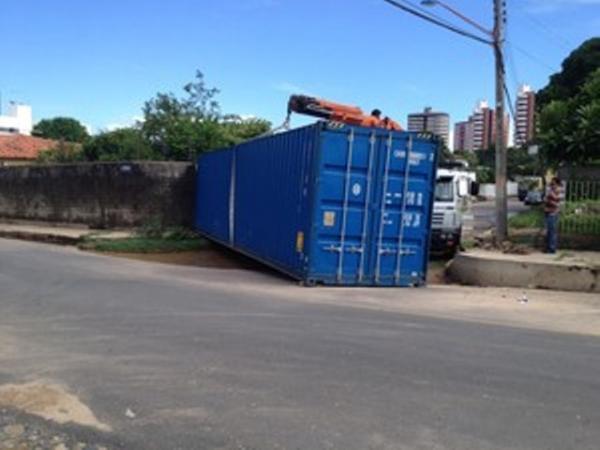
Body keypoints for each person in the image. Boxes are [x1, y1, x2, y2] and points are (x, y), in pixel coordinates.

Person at [544, 177, 562, 253]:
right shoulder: (552, 191)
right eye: (551, 184)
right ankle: (548, 247)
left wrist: (548, 200)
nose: (552, 185)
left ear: (557, 184)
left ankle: (552, 249)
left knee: (552, 232)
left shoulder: (558, 191)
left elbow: (556, 203)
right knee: (549, 232)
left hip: (553, 213)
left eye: (553, 184)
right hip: (549, 213)